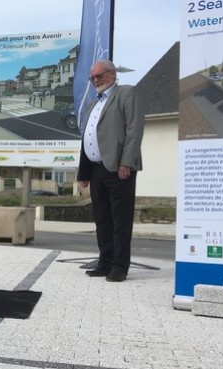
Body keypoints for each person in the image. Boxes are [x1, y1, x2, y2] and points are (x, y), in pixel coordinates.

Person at [77, 60, 144, 283]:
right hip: (96, 170)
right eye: (92, 77)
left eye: (99, 75)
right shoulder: (92, 104)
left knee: (120, 221)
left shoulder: (126, 93)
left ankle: (119, 267)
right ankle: (105, 262)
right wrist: (83, 173)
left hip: (118, 169)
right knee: (103, 221)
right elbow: (87, 138)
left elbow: (134, 129)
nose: (96, 80)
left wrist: (127, 162)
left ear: (112, 74)